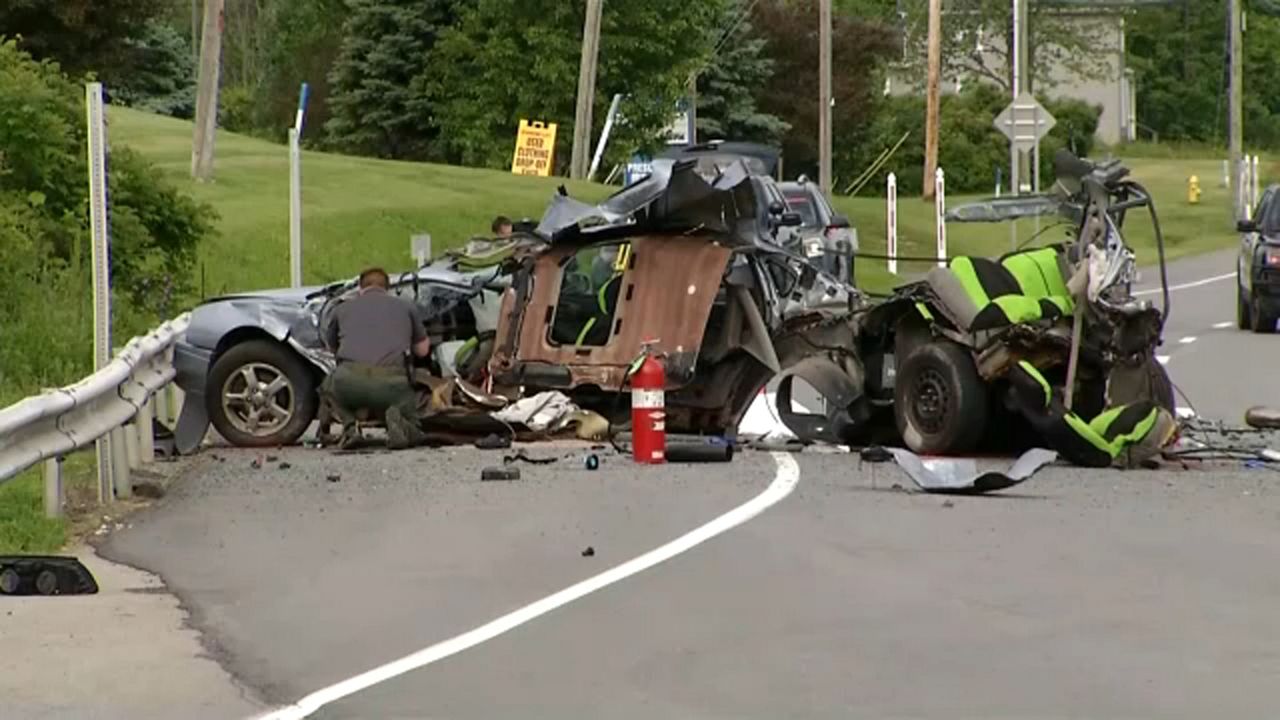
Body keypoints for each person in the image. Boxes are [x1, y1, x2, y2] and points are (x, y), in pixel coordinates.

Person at [323, 268, 431, 450]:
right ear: (387, 288)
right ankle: (399, 422)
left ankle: (350, 428)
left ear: (360, 288)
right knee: (414, 417)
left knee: (327, 387)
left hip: (350, 381)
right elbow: (423, 350)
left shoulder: (341, 309)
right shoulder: (406, 306)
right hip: (392, 384)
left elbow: (331, 348)